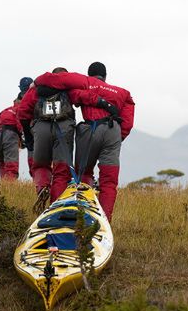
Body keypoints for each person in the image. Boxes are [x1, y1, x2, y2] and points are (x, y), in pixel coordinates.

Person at [34, 62, 135, 221]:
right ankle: (104, 220)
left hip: (90, 130)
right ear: (105, 76)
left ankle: (79, 214)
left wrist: (38, 81)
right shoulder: (123, 93)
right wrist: (117, 137)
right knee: (109, 182)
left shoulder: (85, 83)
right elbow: (128, 122)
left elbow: (58, 83)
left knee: (84, 174)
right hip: (113, 131)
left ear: (89, 75)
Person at [18, 68, 108, 210]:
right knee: (61, 171)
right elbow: (83, 97)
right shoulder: (68, 89)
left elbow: (23, 111)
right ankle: (56, 206)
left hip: (41, 128)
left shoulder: (35, 90)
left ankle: (42, 187)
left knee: (41, 165)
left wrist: (29, 138)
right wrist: (104, 103)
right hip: (64, 127)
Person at [0, 97, 23, 180]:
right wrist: (22, 136)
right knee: (11, 165)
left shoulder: (6, 110)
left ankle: (3, 185)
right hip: (10, 135)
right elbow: (20, 123)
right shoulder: (21, 109)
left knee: (2, 163)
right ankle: (10, 187)